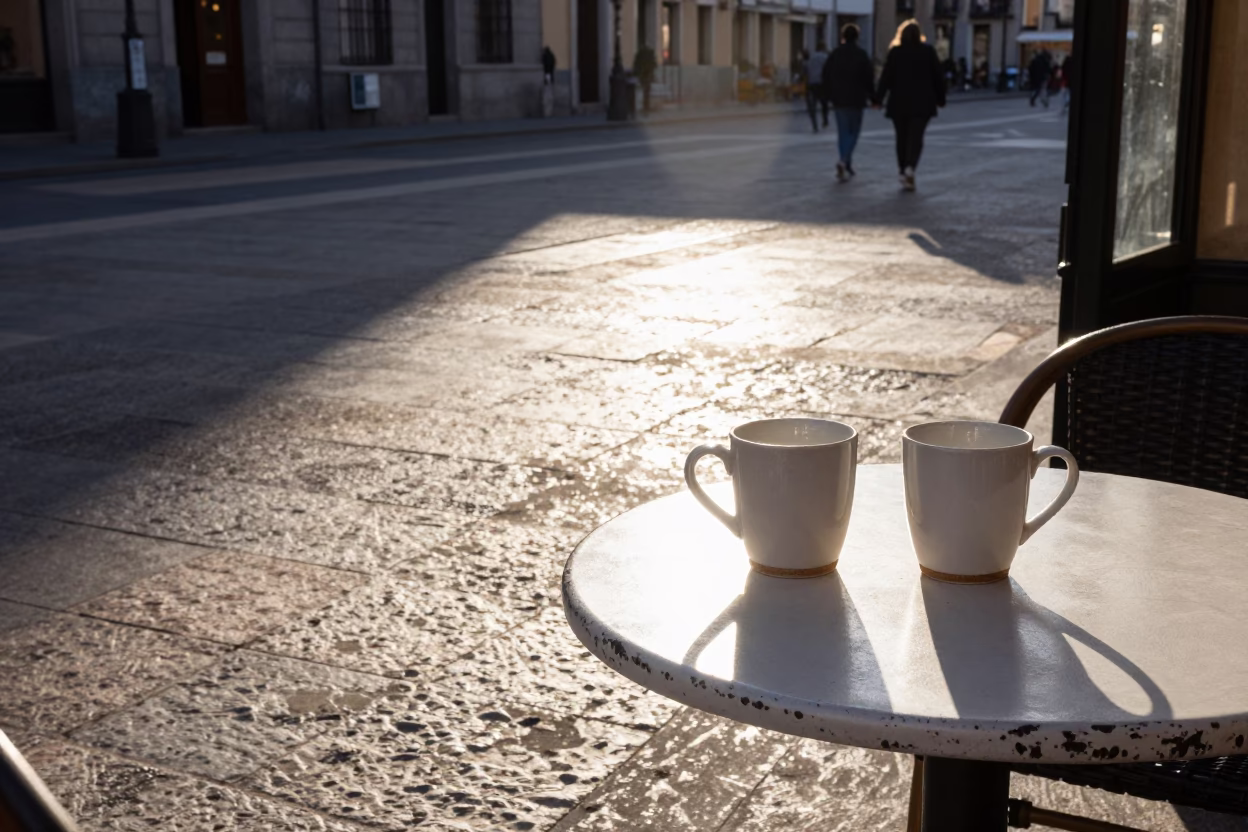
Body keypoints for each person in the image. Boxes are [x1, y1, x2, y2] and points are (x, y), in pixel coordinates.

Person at [822, 23, 875, 182]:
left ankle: (845, 161)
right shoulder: (861, 55)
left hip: (839, 99)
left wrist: (828, 94)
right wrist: (873, 97)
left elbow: (826, 75)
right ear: (857, 37)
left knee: (843, 132)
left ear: (843, 36)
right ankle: (844, 160)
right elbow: (868, 78)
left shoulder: (835, 54)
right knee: (854, 132)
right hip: (856, 99)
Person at [805, 42, 830, 133]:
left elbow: (806, 69)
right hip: (822, 83)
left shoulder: (811, 58)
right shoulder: (825, 57)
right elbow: (829, 69)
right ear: (823, 48)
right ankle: (825, 120)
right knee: (824, 103)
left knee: (813, 105)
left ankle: (814, 125)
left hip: (812, 83)